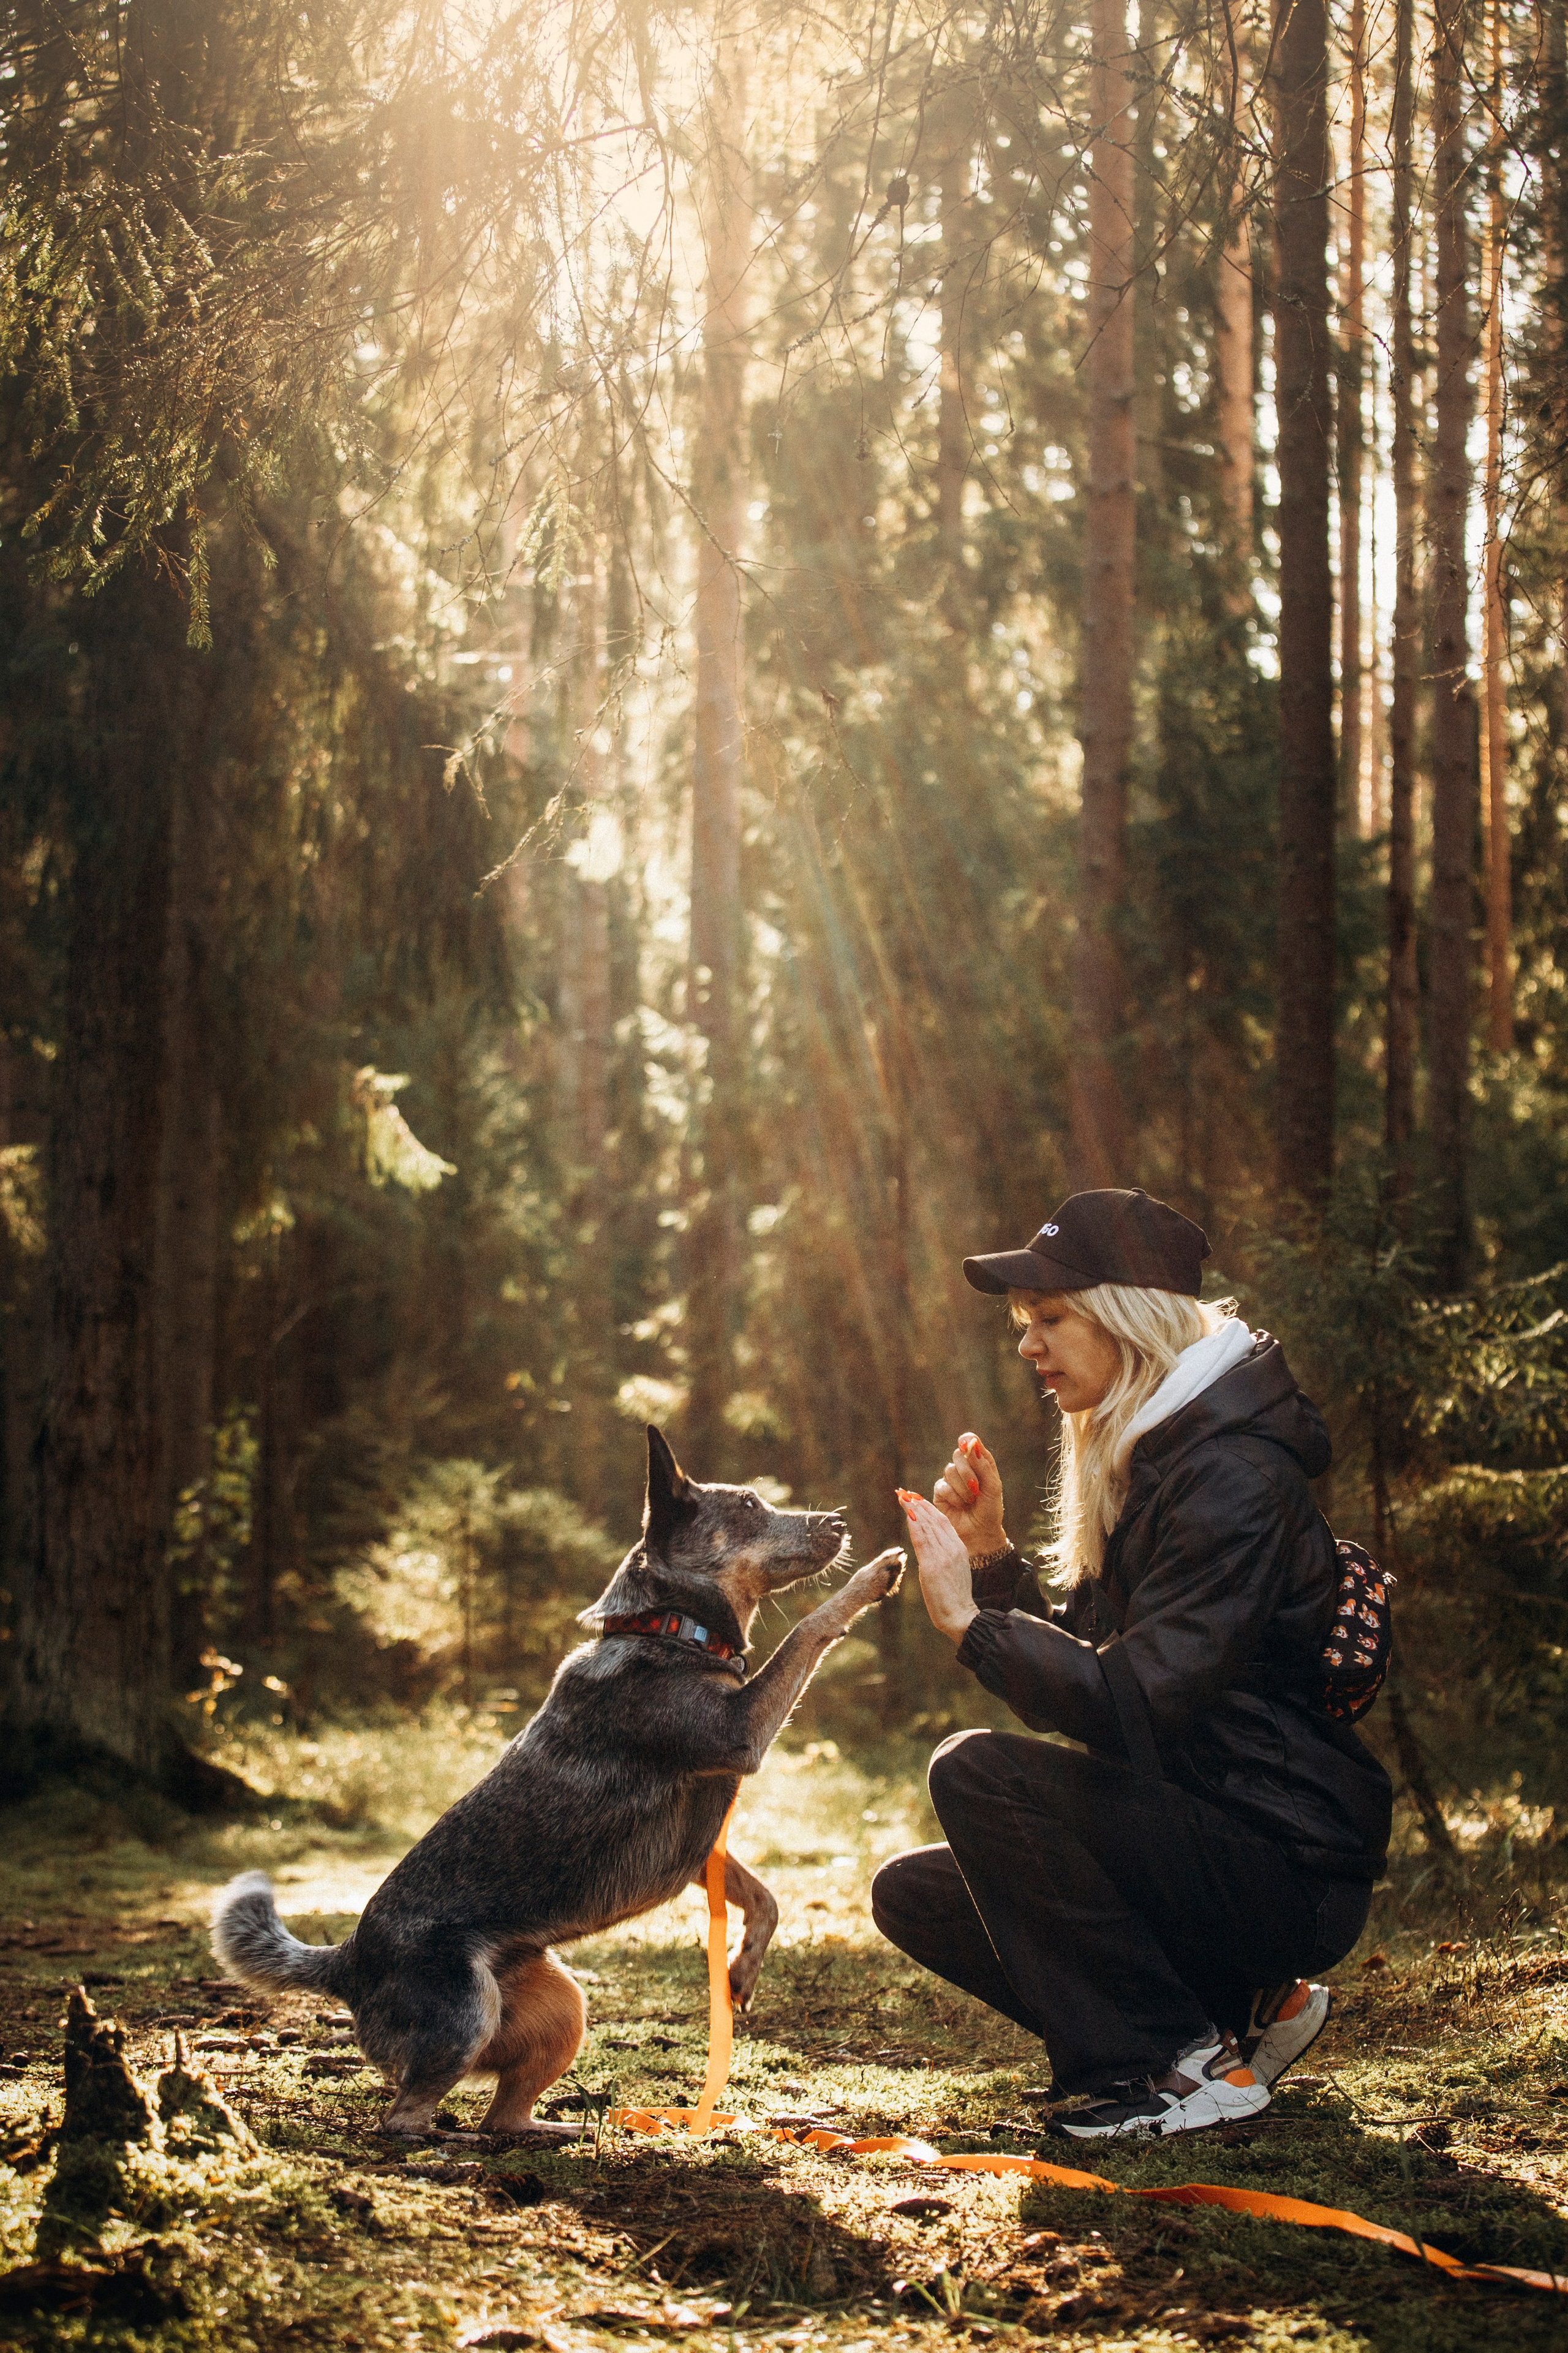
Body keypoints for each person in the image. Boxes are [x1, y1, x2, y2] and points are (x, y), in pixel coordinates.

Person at [872, 1186, 1392, 2139]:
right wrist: (991, 1557)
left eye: (1053, 1318)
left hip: (1284, 1863)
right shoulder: (1160, 1457)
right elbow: (1095, 1665)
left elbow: (1131, 1699)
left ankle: (1172, 2066)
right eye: (1027, 1323)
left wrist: (972, 1625)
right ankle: (1232, 2018)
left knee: (974, 1772)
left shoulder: (1232, 1475)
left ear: (1128, 1318)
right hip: (1199, 1833)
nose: (1029, 1344)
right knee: (916, 1894)